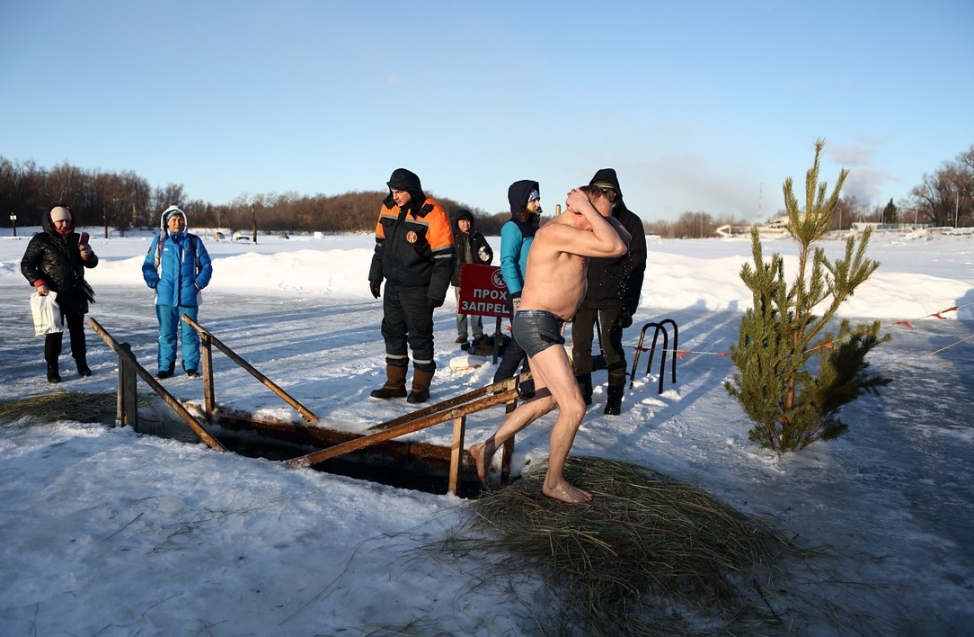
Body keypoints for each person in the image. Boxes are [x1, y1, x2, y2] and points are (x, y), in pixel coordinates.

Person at [470, 185, 631, 503]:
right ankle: (553, 483)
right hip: (536, 323)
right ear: (579, 209)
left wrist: (598, 211)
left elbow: (624, 238)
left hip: (547, 325)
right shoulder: (557, 232)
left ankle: (485, 447)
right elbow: (616, 248)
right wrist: (588, 207)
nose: (598, 222)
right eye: (593, 215)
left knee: (546, 400)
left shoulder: (581, 227)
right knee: (575, 405)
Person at [368, 168, 456, 404]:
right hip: (393, 286)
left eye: (399, 192)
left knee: (419, 336)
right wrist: (375, 275)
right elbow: (380, 246)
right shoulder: (387, 208)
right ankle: (394, 384)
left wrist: (436, 291)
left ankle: (420, 387)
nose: (394, 196)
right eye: (392, 191)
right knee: (392, 332)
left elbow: (445, 258)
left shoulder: (433, 213)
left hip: (419, 288)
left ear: (412, 190)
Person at [572, 168, 648, 415]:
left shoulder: (630, 222)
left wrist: (629, 304)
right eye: (599, 191)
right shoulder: (583, 219)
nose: (605, 196)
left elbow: (637, 264)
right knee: (580, 348)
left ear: (617, 194)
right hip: (583, 295)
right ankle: (582, 395)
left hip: (614, 296)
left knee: (611, 346)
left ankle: (614, 397)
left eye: (609, 192)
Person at [21, 204, 99, 383]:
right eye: (60, 221)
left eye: (67, 221)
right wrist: (39, 282)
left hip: (76, 292)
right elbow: (27, 264)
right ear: (51, 221)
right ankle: (52, 369)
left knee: (78, 332)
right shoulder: (41, 240)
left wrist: (87, 254)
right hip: (52, 295)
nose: (65, 224)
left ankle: (81, 363)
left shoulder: (77, 239)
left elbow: (92, 263)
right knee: (54, 333)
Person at [141, 205, 213, 379]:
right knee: (166, 334)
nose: (177, 222)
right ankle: (165, 367)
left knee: (189, 334)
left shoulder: (194, 241)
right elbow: (148, 266)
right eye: (173, 219)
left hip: (189, 298)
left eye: (180, 219)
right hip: (165, 299)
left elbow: (206, 266)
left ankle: (191, 366)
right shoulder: (159, 241)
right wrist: (155, 283)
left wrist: (197, 285)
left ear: (185, 221)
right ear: (167, 222)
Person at [492, 180, 541, 398]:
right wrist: (516, 294)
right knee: (522, 341)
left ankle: (529, 385)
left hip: (538, 291)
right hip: (520, 293)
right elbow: (507, 261)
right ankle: (500, 385)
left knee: (537, 341)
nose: (538, 202)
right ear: (522, 201)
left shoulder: (534, 226)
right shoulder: (512, 227)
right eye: (534, 198)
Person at [451, 208, 493, 351]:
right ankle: (462, 334)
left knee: (476, 307)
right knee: (461, 307)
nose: (466, 224)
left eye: (468, 221)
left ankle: (477, 333)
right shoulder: (452, 237)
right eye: (463, 221)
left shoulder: (478, 237)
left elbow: (488, 254)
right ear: (457, 223)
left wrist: (485, 256)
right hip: (460, 277)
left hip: (476, 277)